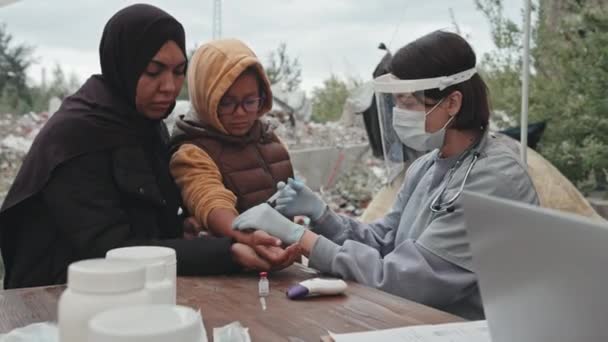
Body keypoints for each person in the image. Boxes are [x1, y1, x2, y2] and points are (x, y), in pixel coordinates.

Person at [232, 31, 539, 319]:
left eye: (408, 103)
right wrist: (323, 215)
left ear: (453, 102)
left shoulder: (494, 179)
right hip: (422, 323)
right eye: (395, 104)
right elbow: (384, 241)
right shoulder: (428, 165)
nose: (398, 115)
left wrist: (300, 236)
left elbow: (399, 280)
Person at [0, 4, 285, 289]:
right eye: (153, 71)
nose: (169, 86)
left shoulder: (145, 126)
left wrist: (182, 230)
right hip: (56, 294)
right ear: (123, 64)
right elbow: (111, 248)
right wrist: (228, 252)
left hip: (133, 284)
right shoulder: (76, 137)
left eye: (178, 72)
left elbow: (146, 220)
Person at [169, 39, 298, 265]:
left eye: (250, 101)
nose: (241, 113)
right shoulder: (193, 151)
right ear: (205, 98)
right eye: (227, 103)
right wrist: (246, 236)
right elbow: (208, 197)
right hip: (234, 275)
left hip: (283, 262)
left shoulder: (267, 136)